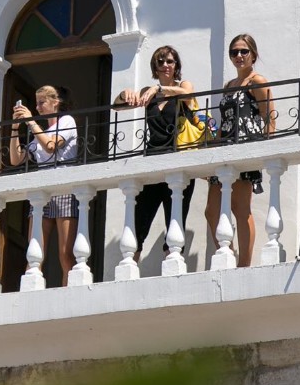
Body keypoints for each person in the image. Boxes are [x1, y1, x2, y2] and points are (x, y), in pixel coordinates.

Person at [114, 45, 199, 261]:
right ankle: (130, 270)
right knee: (138, 223)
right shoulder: (148, 92)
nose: (165, 65)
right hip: (152, 163)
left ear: (176, 65)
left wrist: (159, 89)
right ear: (155, 67)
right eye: (160, 62)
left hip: (178, 160)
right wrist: (124, 94)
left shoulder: (182, 86)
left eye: (170, 61)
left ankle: (173, 272)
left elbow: (188, 95)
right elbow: (118, 107)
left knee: (175, 221)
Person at [204, 34, 274, 267]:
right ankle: (228, 253)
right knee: (211, 211)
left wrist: (265, 150)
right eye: (234, 52)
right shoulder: (229, 86)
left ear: (253, 54)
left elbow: (269, 117)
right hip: (225, 147)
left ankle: (244, 264)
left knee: (240, 208)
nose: (239, 56)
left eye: (244, 51)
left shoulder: (257, 81)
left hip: (246, 146)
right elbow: (225, 120)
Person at [9, 85, 79, 285]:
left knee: (65, 253)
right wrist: (15, 128)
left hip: (63, 190)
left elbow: (50, 146)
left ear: (55, 102)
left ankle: (68, 295)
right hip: (42, 194)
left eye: (42, 102)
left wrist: (31, 122)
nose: (38, 107)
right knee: (35, 252)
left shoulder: (67, 121)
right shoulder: (39, 133)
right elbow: (16, 159)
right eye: (36, 103)